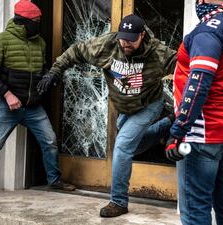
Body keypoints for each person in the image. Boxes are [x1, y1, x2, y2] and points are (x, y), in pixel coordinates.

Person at [39, 14, 176, 217]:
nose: (125, 43)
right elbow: (76, 50)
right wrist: (55, 72)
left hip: (149, 105)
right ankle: (167, 125)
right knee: (132, 147)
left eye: (131, 38)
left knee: (121, 147)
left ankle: (119, 202)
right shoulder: (107, 45)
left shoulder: (159, 53)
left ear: (143, 35)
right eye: (122, 37)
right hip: (124, 108)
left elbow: (186, 68)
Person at [0, 0, 76, 202]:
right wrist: (8, 95)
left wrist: (46, 80)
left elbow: (40, 70)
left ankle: (54, 181)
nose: (39, 23)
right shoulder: (1, 41)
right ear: (23, 22)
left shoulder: (40, 42)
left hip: (32, 106)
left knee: (50, 140)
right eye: (36, 20)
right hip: (5, 105)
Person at [164, 0, 223, 224]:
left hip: (203, 135)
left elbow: (199, 82)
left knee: (195, 210)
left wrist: (178, 132)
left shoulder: (206, 31)